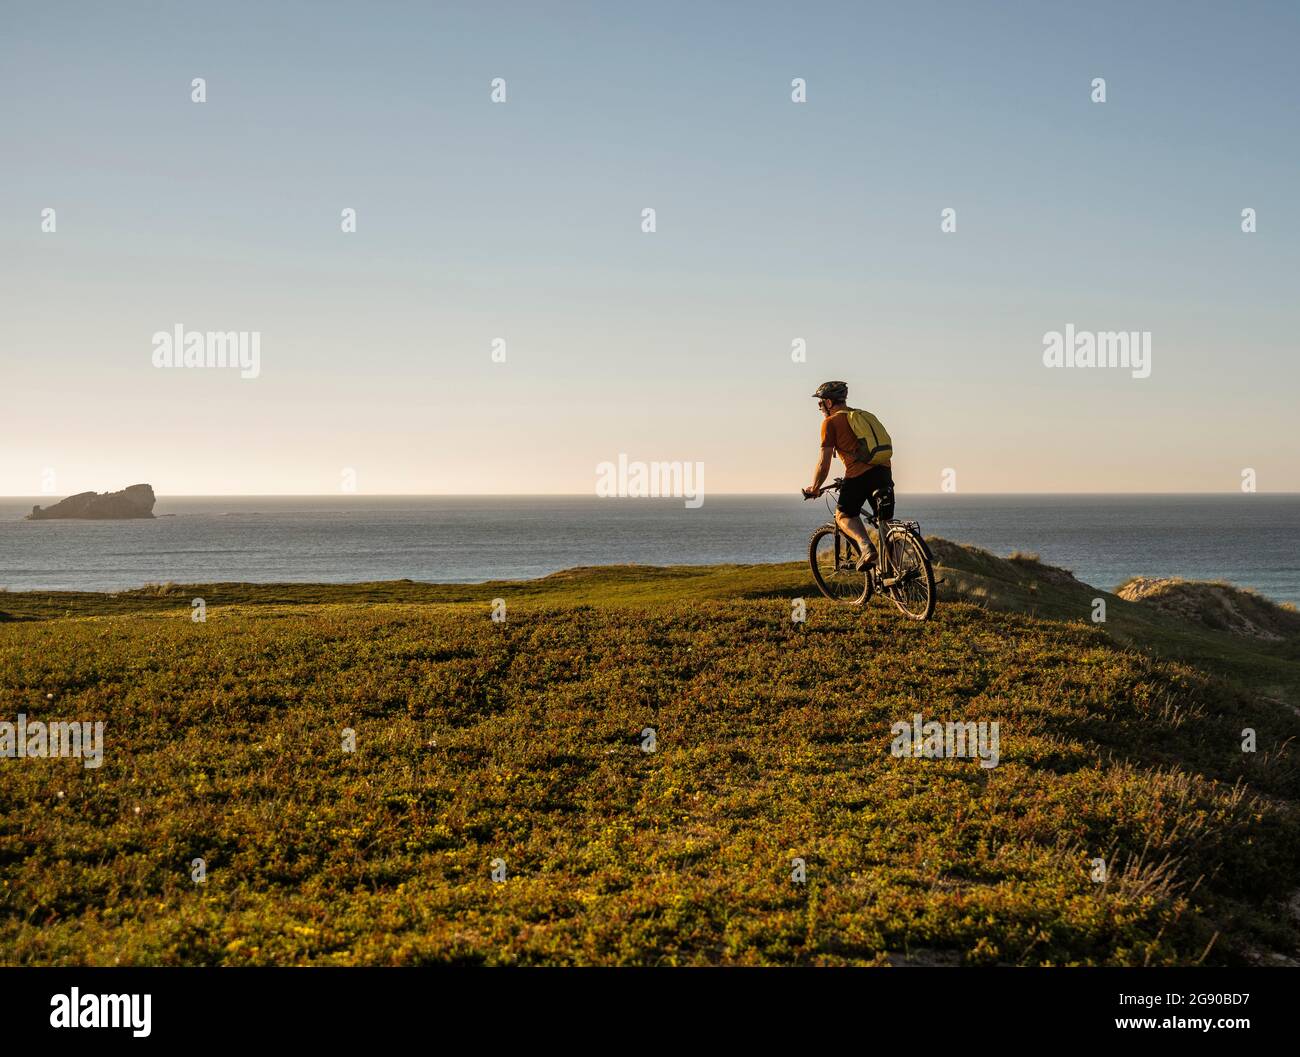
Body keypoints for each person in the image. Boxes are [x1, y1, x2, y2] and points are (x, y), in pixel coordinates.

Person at [801, 381, 895, 571]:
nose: (819, 408)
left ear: (828, 403)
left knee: (843, 515)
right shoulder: (862, 416)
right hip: (884, 470)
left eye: (820, 404)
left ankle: (866, 548)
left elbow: (823, 463)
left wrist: (815, 487)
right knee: (885, 523)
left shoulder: (830, 422)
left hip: (859, 474)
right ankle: (897, 573)